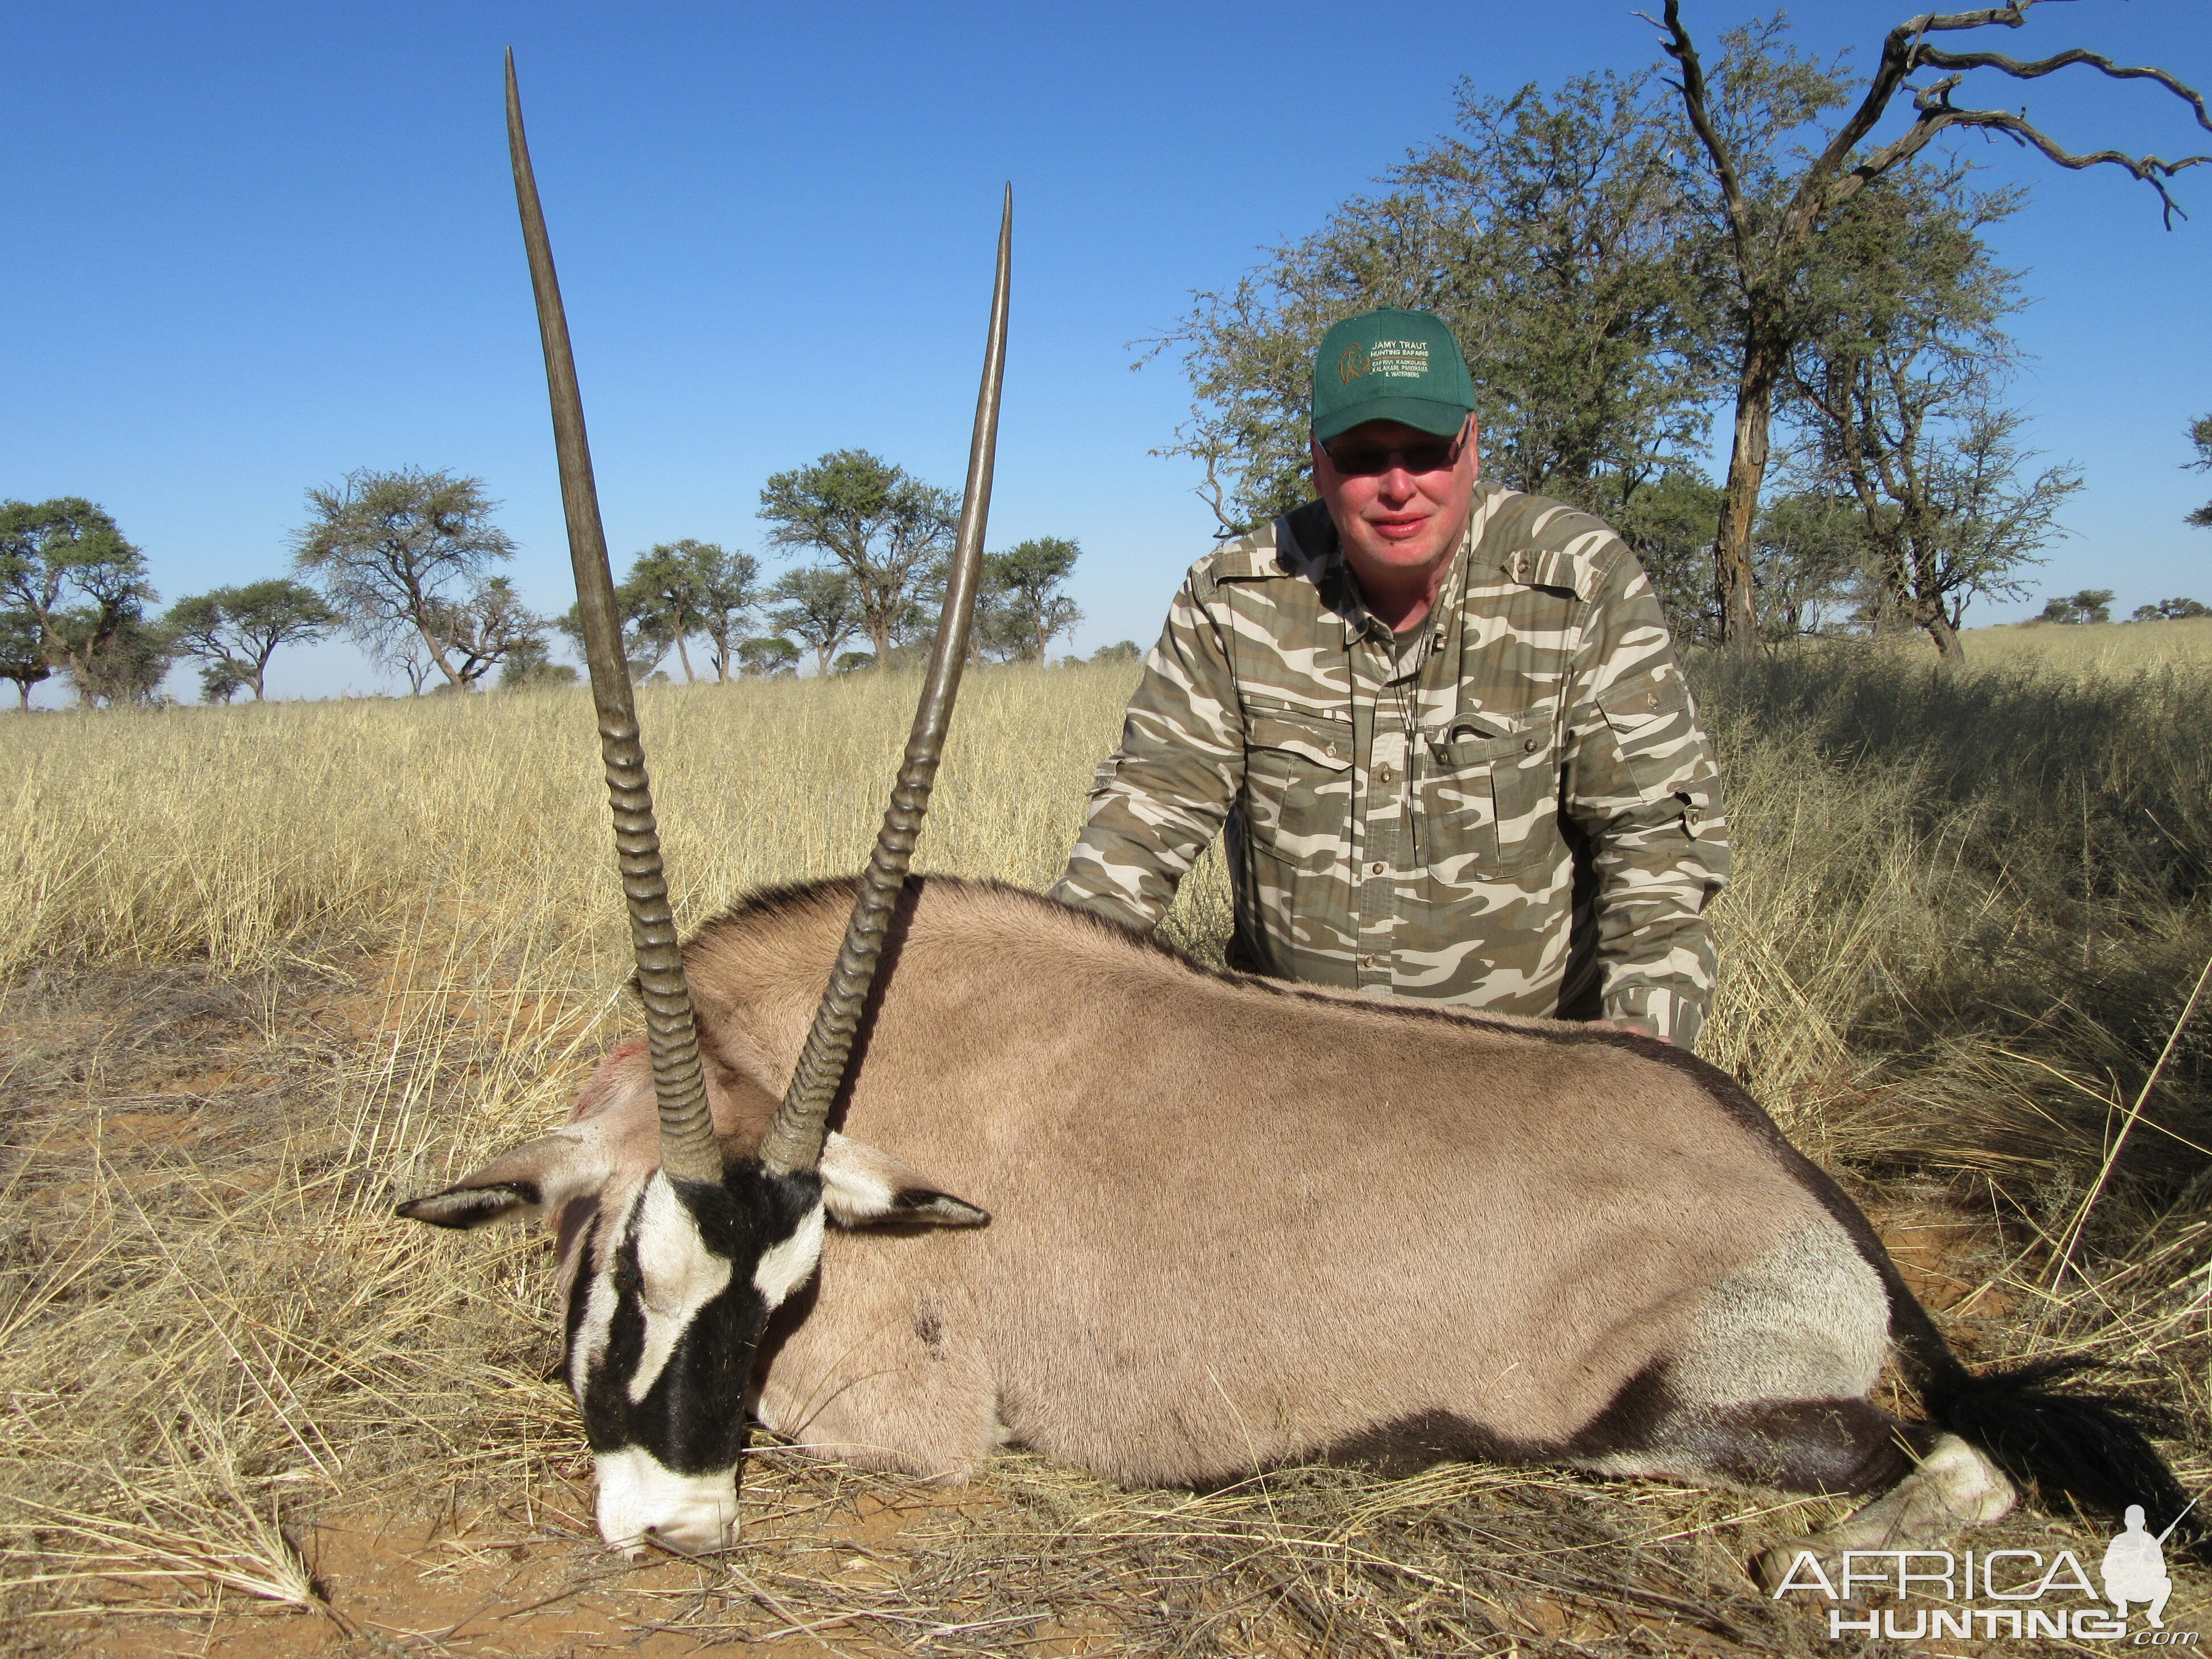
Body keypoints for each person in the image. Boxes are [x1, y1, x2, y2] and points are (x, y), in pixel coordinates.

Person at [1048, 307, 1729, 1046]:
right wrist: (1049, 996)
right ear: (1317, 458)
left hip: (1533, 1075)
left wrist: (1636, 1068)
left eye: (1426, 450)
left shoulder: (1580, 583)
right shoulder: (1234, 597)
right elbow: (1142, 822)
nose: (1398, 486)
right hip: (1287, 1066)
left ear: (1471, 444)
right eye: (1363, 456)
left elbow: (1654, 847)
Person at [2102, 1504, 2173, 1628]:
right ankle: (2122, 1606)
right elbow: (2106, 1570)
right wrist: (2124, 1571)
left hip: (2144, 1587)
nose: (2134, 1524)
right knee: (2110, 1583)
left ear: (2143, 1522)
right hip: (2122, 1587)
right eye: (2131, 1521)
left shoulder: (2150, 1541)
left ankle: (2154, 1615)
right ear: (2126, 1522)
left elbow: (2162, 1570)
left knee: (2166, 1583)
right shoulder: (2119, 1541)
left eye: (2137, 1521)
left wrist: (2147, 1569)